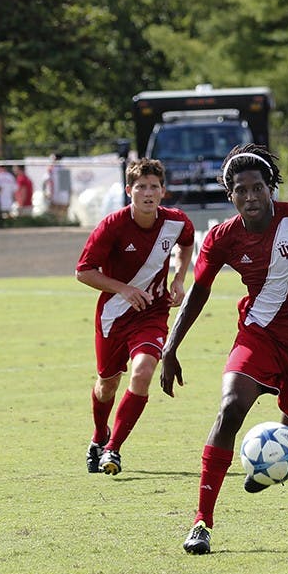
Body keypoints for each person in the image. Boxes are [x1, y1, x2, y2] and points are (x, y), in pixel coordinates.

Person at [160, 144, 288, 555]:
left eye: (258, 188)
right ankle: (202, 521)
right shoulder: (222, 238)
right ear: (230, 194)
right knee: (230, 407)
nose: (251, 197)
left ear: (271, 188)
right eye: (241, 190)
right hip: (261, 334)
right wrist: (170, 347)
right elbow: (198, 293)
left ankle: (276, 461)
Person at [75, 158, 195, 475]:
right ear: (129, 190)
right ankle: (100, 436)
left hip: (151, 313)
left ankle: (112, 449)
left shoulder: (176, 221)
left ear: (163, 191)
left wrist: (179, 278)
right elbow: (83, 272)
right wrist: (124, 289)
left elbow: (186, 242)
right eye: (141, 186)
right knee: (106, 386)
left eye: (154, 186)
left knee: (142, 373)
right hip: (113, 316)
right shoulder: (112, 226)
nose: (147, 192)